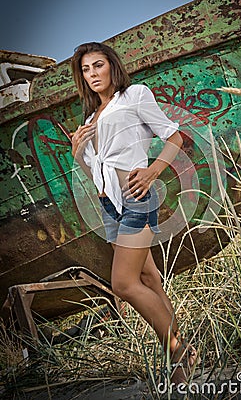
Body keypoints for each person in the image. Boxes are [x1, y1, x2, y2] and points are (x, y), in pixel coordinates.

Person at [71, 42, 196, 385]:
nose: (93, 74)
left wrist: (154, 170)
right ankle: (181, 349)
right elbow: (94, 173)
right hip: (109, 204)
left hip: (136, 199)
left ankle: (179, 350)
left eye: (98, 65)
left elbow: (174, 137)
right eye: (85, 69)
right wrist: (78, 152)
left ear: (112, 66)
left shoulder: (135, 95)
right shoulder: (91, 118)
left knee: (124, 284)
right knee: (149, 279)